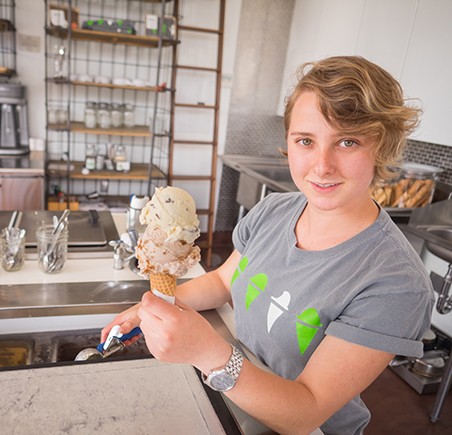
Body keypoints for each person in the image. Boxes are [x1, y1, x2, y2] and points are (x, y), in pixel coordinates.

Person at [101, 56, 434, 434]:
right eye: (306, 140)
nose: (322, 165)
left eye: (347, 141)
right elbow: (224, 281)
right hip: (236, 401)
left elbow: (307, 412)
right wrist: (158, 307)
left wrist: (209, 352)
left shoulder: (396, 282)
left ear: (383, 147)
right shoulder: (275, 210)